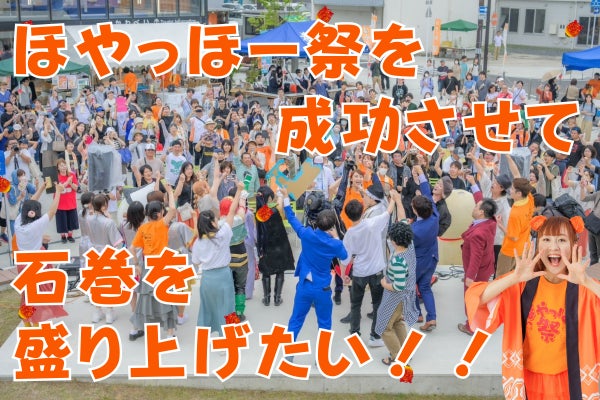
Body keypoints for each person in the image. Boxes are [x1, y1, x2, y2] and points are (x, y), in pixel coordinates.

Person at [466, 216, 600, 399]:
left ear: (574, 245)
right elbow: (478, 299)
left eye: (562, 240)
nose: (553, 247)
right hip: (528, 380)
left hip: (571, 380)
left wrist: (587, 282)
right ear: (537, 245)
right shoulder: (521, 284)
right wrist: (513, 278)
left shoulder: (584, 288)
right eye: (546, 239)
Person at [281, 186, 350, 342]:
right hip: (323, 288)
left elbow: (291, 218)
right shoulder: (335, 244)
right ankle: (322, 354)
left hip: (304, 286)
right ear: (331, 226)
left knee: (295, 320)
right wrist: (336, 238)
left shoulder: (306, 234)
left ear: (316, 223)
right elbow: (345, 258)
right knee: (324, 324)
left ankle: (289, 350)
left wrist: (286, 196)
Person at [342, 186, 400, 347]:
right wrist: (393, 199)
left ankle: (354, 333)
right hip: (376, 271)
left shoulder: (349, 234)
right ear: (362, 211)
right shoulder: (372, 223)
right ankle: (375, 337)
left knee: (355, 305)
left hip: (359, 272)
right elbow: (388, 212)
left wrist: (343, 275)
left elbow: (345, 259)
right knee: (377, 304)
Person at [192, 181, 244, 336]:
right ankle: (227, 336)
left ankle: (204, 334)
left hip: (207, 279)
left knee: (207, 307)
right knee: (228, 307)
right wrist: (239, 191)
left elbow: (196, 262)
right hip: (223, 277)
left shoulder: (198, 243)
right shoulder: (223, 234)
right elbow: (232, 211)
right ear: (213, 223)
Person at [14, 185, 68, 326]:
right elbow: (52, 211)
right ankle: (36, 321)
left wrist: (42, 188)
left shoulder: (18, 222)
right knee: (40, 293)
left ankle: (27, 321)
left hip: (22, 263)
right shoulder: (36, 225)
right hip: (37, 263)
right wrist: (58, 191)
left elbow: (29, 203)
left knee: (27, 293)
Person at [129, 186, 178, 340]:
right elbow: (173, 209)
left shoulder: (143, 228)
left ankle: (135, 328)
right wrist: (170, 192)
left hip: (147, 265)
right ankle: (170, 332)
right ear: (159, 213)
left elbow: (132, 248)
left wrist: (136, 264)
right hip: (162, 265)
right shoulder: (162, 224)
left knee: (145, 298)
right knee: (166, 297)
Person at [376, 220, 418, 366]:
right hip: (406, 296)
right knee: (397, 321)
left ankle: (397, 356)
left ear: (394, 241)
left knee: (384, 327)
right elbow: (404, 221)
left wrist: (384, 284)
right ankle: (406, 352)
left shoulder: (398, 261)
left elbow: (398, 286)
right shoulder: (410, 247)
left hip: (396, 297)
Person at [457, 198, 497, 336]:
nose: (473, 208)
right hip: (486, 266)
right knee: (480, 297)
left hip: (477, 272)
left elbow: (475, 257)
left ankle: (471, 327)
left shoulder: (478, 234)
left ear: (481, 212)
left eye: (476, 206)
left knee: (471, 298)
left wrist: (470, 276)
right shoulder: (490, 222)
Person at [255, 186, 295, 306]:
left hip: (266, 246)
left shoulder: (259, 213)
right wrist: (281, 195)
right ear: (269, 197)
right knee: (280, 271)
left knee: (266, 272)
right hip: (280, 245)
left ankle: (266, 298)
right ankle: (277, 298)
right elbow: (280, 208)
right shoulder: (275, 210)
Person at [55, 159, 79, 243]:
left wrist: (71, 183)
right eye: (61, 165)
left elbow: (76, 188)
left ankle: (70, 235)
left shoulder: (72, 175)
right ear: (58, 168)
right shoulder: (56, 177)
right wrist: (67, 182)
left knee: (71, 220)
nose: (63, 167)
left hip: (71, 202)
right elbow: (60, 188)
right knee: (61, 221)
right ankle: (63, 236)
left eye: (64, 165)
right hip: (60, 203)